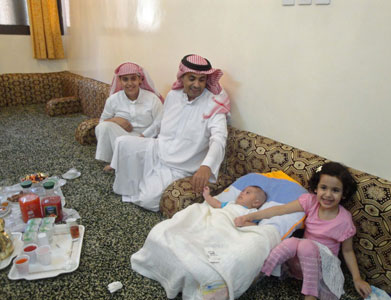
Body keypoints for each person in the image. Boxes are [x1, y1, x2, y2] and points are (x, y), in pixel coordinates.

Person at [235, 162, 372, 300]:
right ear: (316, 188)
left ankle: (311, 295)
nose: (328, 194)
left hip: (322, 271)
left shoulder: (344, 220)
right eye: (323, 188)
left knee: (305, 245)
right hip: (298, 266)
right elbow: (280, 210)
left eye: (335, 190)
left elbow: (347, 251)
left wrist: (357, 279)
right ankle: (260, 274)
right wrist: (249, 216)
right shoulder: (311, 202)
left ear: (343, 194)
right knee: (291, 243)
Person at [110, 54, 229, 211]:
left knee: (147, 200)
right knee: (123, 142)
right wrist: (143, 137)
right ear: (182, 77)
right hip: (159, 148)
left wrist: (206, 166)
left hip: (181, 164)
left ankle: (145, 181)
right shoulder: (174, 95)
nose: (197, 84)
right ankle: (139, 180)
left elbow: (219, 138)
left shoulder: (214, 104)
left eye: (202, 80)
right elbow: (160, 122)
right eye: (191, 78)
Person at [95, 62, 163, 171]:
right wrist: (116, 120)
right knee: (103, 127)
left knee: (127, 144)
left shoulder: (152, 99)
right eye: (125, 79)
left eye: (133, 79)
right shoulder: (113, 99)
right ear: (120, 81)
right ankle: (115, 161)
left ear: (140, 80)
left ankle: (121, 163)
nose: (129, 83)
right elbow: (102, 121)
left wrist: (143, 136)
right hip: (123, 137)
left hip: (146, 138)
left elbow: (159, 123)